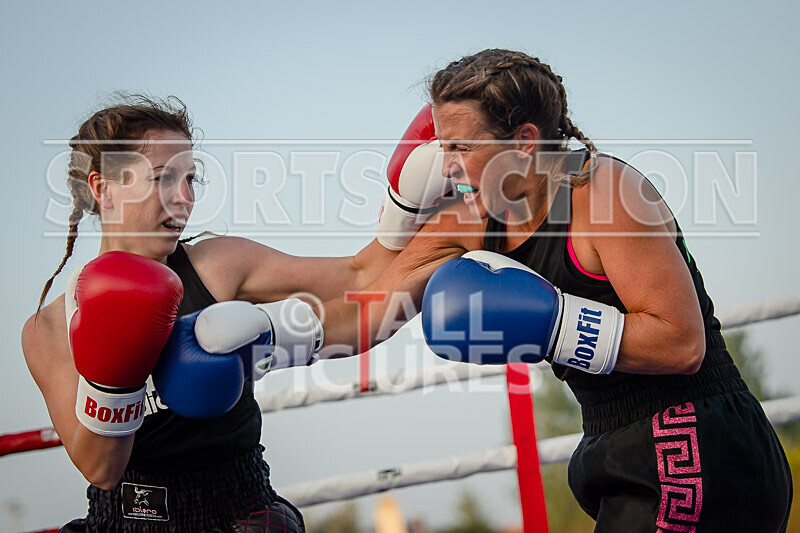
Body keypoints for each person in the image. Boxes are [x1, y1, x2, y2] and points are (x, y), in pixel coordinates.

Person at [316, 49, 793, 531]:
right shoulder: (472, 223)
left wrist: (554, 325)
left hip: (698, 437)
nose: (446, 167)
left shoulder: (602, 192)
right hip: (611, 444)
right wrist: (278, 335)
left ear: (524, 142)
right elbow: (365, 303)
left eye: (461, 147)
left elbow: (682, 343)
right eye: (442, 147)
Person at [21, 95, 446, 532]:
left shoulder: (217, 265)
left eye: (190, 179)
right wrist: (116, 375)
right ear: (102, 188)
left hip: (241, 509)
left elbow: (360, 274)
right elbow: (101, 469)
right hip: (125, 520)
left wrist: (422, 211)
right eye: (163, 178)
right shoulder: (49, 328)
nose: (184, 198)